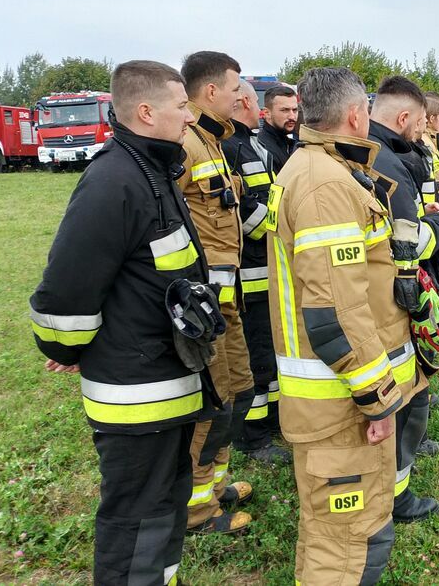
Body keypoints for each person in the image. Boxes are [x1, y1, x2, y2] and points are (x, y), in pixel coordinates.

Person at [30, 60, 206, 583]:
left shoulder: (151, 169)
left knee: (165, 511)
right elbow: (64, 294)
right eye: (181, 106)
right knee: (137, 523)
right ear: (146, 112)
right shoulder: (112, 181)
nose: (190, 117)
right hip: (136, 394)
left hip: (164, 383)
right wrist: (67, 348)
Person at [269, 67, 426, 584]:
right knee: (343, 545)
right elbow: (336, 310)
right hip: (339, 406)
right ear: (356, 114)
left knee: (350, 530)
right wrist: (376, 396)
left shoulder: (321, 170)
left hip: (341, 401)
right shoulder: (324, 185)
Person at [369, 76, 439, 521]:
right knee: (409, 397)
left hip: (381, 293)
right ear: (403, 118)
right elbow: (410, 246)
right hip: (397, 295)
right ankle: (397, 495)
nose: (425, 130)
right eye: (421, 122)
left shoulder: (373, 151)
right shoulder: (389, 162)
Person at [178, 51, 254, 534]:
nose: (239, 97)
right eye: (233, 90)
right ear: (210, 92)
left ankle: (216, 486)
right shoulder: (185, 144)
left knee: (237, 393)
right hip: (207, 309)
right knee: (213, 404)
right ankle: (196, 510)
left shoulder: (213, 143)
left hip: (228, 303)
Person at [222, 81, 290, 463]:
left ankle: (275, 422)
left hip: (266, 269)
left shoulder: (248, 144)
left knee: (271, 354)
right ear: (250, 103)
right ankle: (252, 437)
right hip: (249, 274)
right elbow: (247, 210)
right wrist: (284, 227)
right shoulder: (233, 147)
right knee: (258, 357)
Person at [258, 83, 298, 174]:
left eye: (295, 110)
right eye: (285, 110)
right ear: (267, 113)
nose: (292, 116)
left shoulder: (291, 143)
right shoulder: (263, 148)